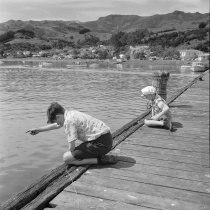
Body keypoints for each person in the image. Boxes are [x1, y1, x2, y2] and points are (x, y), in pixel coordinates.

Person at [26, 102, 117, 165]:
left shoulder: (69, 121)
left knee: (66, 158)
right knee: (74, 154)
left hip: (100, 144)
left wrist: (72, 155)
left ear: (58, 116)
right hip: (106, 139)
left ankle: (100, 160)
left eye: (56, 121)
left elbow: (72, 147)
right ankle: (98, 155)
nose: (58, 124)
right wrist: (38, 129)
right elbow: (56, 125)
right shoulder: (71, 114)